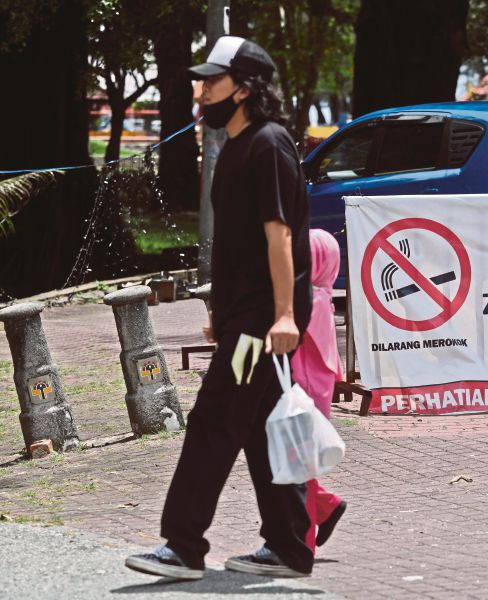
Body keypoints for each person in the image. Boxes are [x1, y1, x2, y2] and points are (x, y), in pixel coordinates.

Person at [125, 36, 314, 580]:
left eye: (211, 81)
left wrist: (282, 316)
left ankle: (183, 546)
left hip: (260, 324)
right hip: (243, 317)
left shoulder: (269, 144)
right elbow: (237, 245)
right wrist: (219, 308)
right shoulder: (236, 147)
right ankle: (288, 547)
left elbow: (279, 237)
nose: (200, 91)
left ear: (246, 88)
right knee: (260, 428)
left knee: (212, 423)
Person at [290, 229, 347, 551]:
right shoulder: (322, 295)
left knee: (296, 461)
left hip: (302, 387)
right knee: (297, 458)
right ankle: (324, 507)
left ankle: (306, 534)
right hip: (316, 385)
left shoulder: (306, 300)